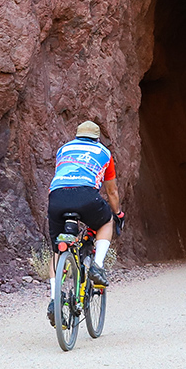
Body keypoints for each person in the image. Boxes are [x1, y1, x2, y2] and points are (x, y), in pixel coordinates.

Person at [46, 120, 124, 324]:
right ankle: (97, 266)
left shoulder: (64, 149)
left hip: (57, 197)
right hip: (86, 196)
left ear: (77, 135)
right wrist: (118, 214)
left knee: (57, 251)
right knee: (106, 221)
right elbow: (111, 191)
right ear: (97, 138)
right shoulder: (103, 152)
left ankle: (54, 300)